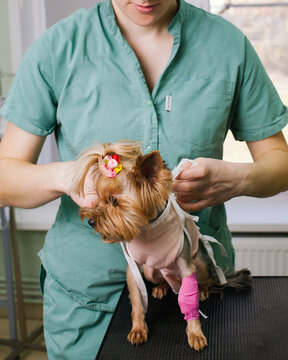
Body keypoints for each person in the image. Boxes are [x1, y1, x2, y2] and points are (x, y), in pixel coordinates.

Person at [0, 0, 288, 358]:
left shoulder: (227, 46)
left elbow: (280, 164)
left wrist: (240, 179)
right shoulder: (58, 49)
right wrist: (71, 176)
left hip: (197, 289)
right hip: (85, 305)